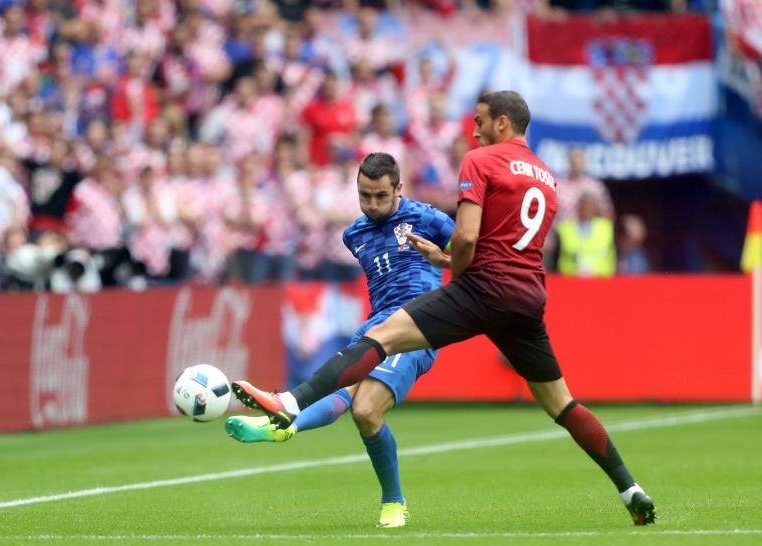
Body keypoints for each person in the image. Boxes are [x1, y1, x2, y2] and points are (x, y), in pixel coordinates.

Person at [230, 91, 657, 526]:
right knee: (563, 405)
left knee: (378, 341)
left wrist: (457, 271)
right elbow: (517, 243)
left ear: (503, 123)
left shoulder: (480, 160)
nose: (474, 130)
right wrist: (451, 261)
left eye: (480, 120)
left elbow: (466, 237)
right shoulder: (547, 176)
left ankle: (289, 402)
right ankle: (630, 488)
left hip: (482, 287)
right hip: (528, 295)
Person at [225, 152, 455, 528]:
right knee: (346, 396)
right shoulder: (353, 235)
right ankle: (284, 426)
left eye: (381, 196)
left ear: (399, 188)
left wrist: (445, 262)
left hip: (417, 324)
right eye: (365, 195)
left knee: (366, 410)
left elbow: (476, 254)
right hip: (374, 328)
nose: (373, 204)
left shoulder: (428, 218)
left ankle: (393, 501)